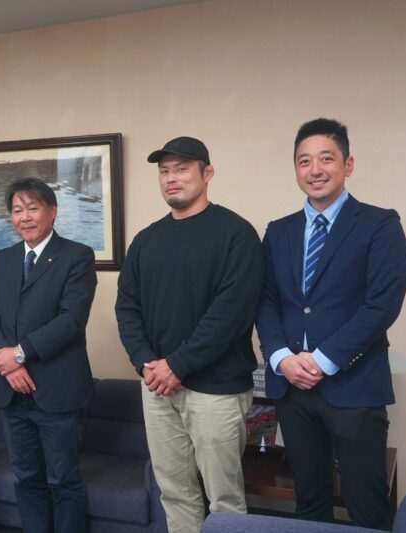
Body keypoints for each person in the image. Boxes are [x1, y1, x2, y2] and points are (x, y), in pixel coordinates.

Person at [255, 118, 406, 529]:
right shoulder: (279, 232)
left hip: (354, 386)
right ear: (296, 169)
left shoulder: (380, 225)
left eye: (326, 159)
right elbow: (266, 301)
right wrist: (281, 358)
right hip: (292, 388)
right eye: (304, 161)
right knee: (309, 501)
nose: (315, 170)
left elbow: (382, 306)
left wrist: (323, 360)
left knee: (366, 505)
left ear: (348, 164)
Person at [115, 136, 264, 532]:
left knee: (225, 501)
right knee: (175, 493)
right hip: (157, 388)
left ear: (207, 173)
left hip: (216, 389)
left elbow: (230, 315)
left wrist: (177, 365)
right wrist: (146, 363)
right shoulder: (146, 240)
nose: (171, 178)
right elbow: (127, 307)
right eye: (164, 171)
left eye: (181, 169)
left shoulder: (236, 234)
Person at [0, 177, 97, 533]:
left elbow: (71, 320)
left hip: (56, 391)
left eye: (33, 208)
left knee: (62, 480)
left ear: (52, 211)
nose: (25, 217)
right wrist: (8, 364)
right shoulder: (3, 259)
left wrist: (19, 354)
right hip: (12, 393)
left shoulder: (77, 256)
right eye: (17, 210)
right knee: (27, 477)